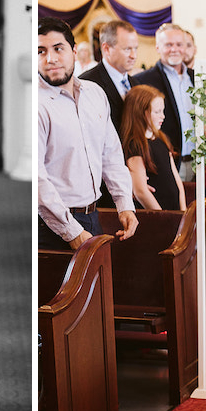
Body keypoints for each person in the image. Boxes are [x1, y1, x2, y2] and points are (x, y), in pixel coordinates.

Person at [37, 16, 137, 250]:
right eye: (41, 51)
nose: (51, 59)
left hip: (93, 214)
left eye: (58, 49)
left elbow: (110, 154)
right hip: (53, 224)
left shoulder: (95, 93)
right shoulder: (38, 105)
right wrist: (72, 232)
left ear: (72, 51)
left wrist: (124, 204)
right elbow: (39, 180)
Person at [131, 22, 195, 179]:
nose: (174, 49)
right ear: (158, 48)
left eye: (179, 44)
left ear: (186, 47)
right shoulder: (142, 81)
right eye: (168, 45)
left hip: (198, 164)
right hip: (164, 164)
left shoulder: (197, 77)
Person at [119, 83, 184, 211]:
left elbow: (177, 182)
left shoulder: (161, 139)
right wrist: (163, 217)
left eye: (162, 111)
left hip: (174, 211)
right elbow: (141, 191)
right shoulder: (135, 145)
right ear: (141, 113)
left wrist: (183, 212)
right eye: (157, 112)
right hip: (158, 215)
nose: (163, 116)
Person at [80, 18, 138, 133]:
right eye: (127, 49)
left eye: (135, 49)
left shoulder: (136, 83)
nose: (133, 55)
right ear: (106, 49)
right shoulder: (86, 84)